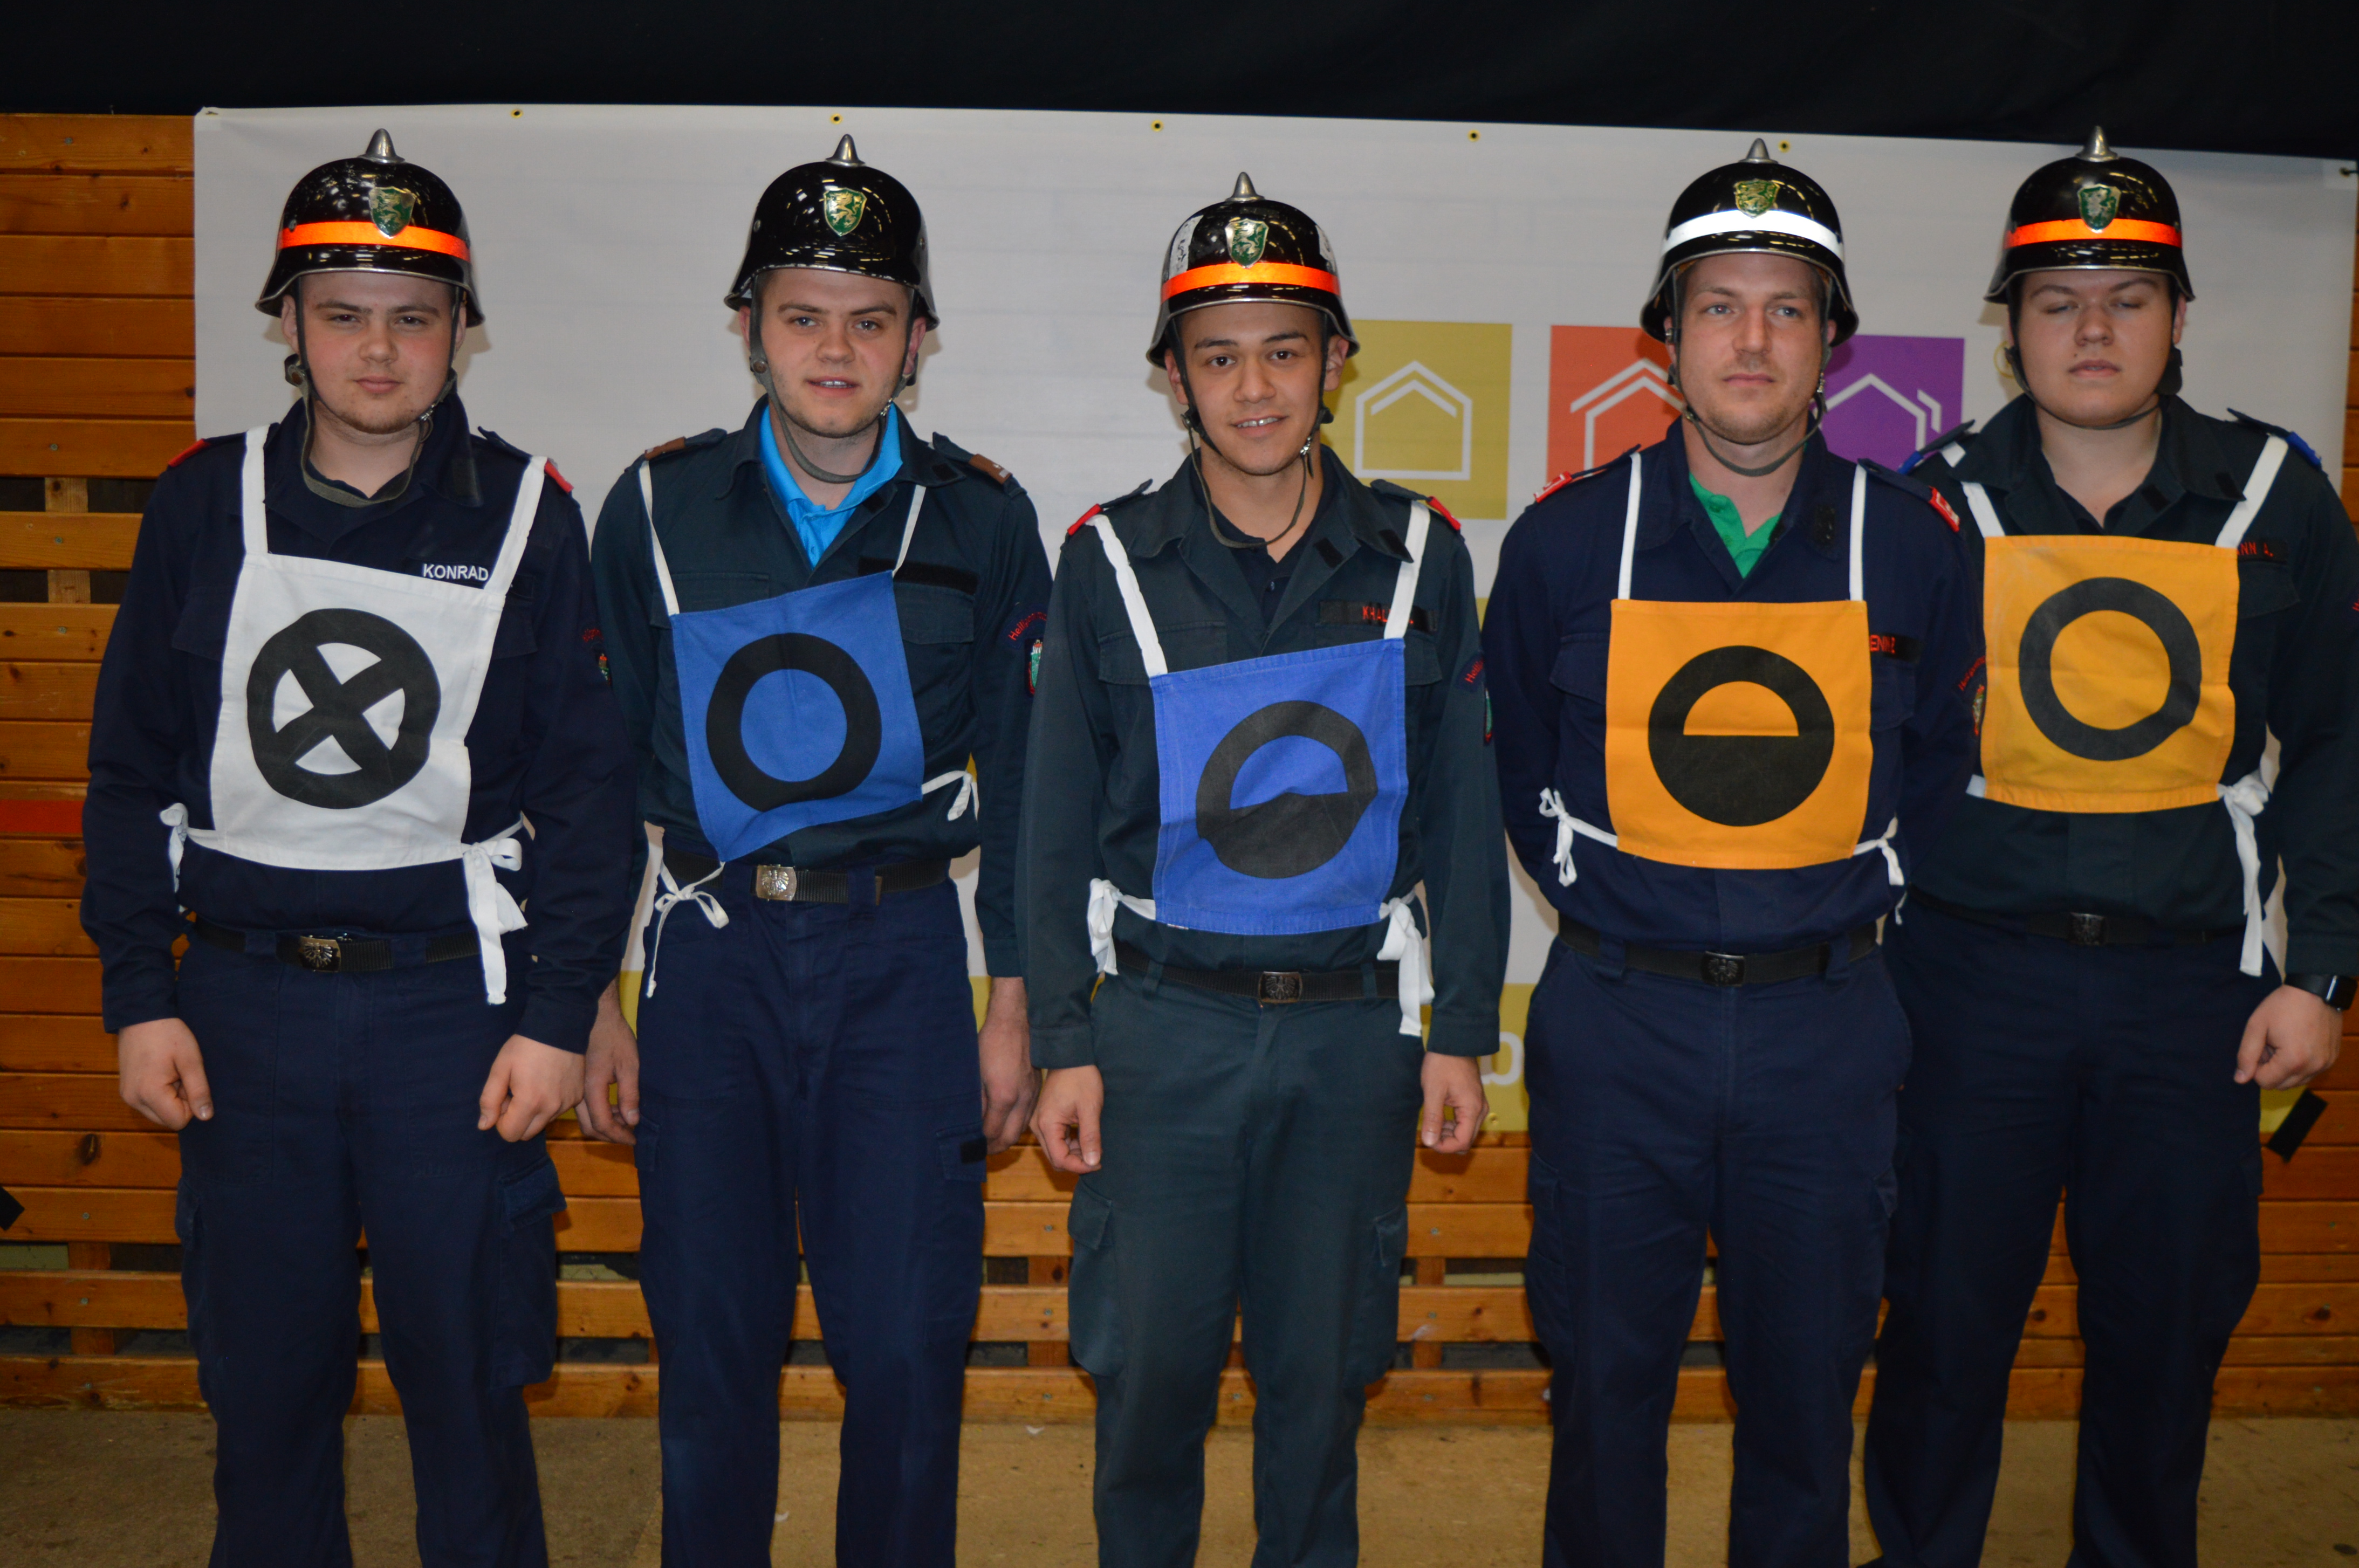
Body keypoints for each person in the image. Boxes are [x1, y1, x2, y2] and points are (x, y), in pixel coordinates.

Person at [81, 130, 632, 1564]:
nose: (378, 352)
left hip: (453, 1014)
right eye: (342, 315)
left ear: (460, 331)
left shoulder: (529, 514)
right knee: (264, 1398)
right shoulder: (200, 503)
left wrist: (556, 1016)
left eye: (412, 318)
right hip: (240, 1007)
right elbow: (128, 771)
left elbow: (586, 794)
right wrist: (141, 994)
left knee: (470, 1390)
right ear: (288, 325)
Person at [1862, 129, 2359, 1568]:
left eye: (2128, 298)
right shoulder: (1926, 504)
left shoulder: (2276, 497)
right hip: (1968, 990)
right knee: (1941, 1327)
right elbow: (1868, 758)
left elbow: (2338, 753)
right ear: (2010, 325)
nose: (2092, 331)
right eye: (2058, 301)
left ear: (2179, 314)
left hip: (2191, 1000)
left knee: (2166, 1342)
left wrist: (2320, 974)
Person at [1483, 141, 1981, 1566]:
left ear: (1832, 343)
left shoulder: (1914, 545)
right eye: (1718, 306)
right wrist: (1632, 914)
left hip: (1829, 1031)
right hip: (1618, 1025)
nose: (1751, 340)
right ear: (1668, 334)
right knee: (1604, 1398)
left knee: (1807, 1409)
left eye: (1785, 309)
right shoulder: (1567, 543)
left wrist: (1826, 916)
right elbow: (1520, 763)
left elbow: (1940, 771)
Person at [1020, 173, 1507, 1568]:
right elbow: (1055, 825)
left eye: (1285, 351)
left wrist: (1462, 1031)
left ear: (1336, 362)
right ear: (1172, 377)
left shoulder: (1420, 555)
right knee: (1149, 1387)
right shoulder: (1106, 560)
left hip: (1354, 1041)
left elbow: (1463, 813)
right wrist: (1065, 1044)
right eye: (1219, 356)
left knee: (1322, 1386)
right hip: (1162, 1037)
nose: (1254, 388)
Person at [587, 135, 1051, 1568]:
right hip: (710, 961)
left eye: (871, 318)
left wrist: (1016, 1001)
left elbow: (1029, 784)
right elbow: (598, 772)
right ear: (750, 325)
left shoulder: (984, 514)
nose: (835, 350)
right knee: (711, 1347)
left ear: (917, 339)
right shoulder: (656, 507)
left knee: (906, 1352)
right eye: (803, 315)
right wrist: (593, 997)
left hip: (900, 959)